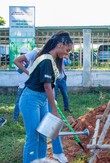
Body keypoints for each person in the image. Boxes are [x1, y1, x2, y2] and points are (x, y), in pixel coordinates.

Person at [19, 31, 73, 163]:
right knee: (33, 136)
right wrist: (54, 111)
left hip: (41, 100)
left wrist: (52, 102)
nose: (67, 54)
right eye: (67, 50)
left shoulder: (52, 60)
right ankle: (30, 160)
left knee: (43, 133)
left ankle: (41, 159)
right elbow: (47, 87)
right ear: (60, 44)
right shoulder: (46, 60)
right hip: (30, 99)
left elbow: (51, 87)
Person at [13, 47, 39, 121]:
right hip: (22, 85)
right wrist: (27, 65)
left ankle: (28, 117)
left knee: (30, 102)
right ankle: (15, 117)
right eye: (23, 54)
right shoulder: (18, 62)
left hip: (30, 84)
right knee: (18, 102)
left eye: (25, 54)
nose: (24, 55)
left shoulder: (30, 61)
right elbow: (20, 71)